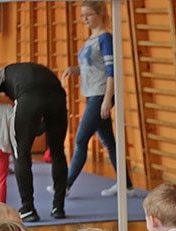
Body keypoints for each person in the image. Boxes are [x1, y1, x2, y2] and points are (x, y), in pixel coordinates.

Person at [0, 63, 69, 222]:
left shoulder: (3, 74)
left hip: (30, 95)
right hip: (57, 95)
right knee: (57, 152)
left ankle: (28, 208)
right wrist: (39, 128)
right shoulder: (22, 72)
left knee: (21, 153)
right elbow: (38, 122)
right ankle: (59, 207)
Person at [61, 0, 131, 198]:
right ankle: (126, 184)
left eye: (89, 15)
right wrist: (72, 70)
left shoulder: (105, 38)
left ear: (100, 14)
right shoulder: (91, 38)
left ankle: (65, 184)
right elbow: (90, 67)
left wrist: (107, 99)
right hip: (91, 93)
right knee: (109, 141)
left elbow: (111, 71)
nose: (85, 20)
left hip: (101, 94)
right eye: (83, 16)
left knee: (82, 138)